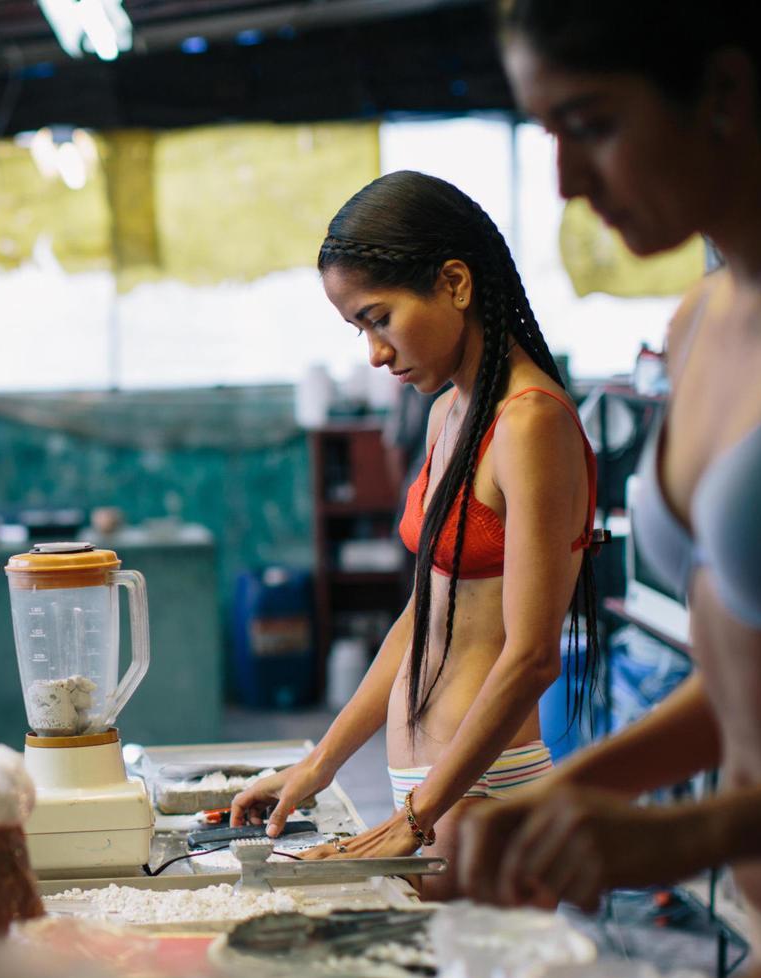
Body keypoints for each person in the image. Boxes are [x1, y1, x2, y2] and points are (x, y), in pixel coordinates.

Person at [424, 2, 761, 978]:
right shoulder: (700, 323)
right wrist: (568, 793)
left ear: (724, 94)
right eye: (544, 131)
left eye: (590, 123)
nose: (566, 185)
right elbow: (749, 680)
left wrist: (692, 833)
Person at [231, 171, 599, 900]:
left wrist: (416, 819)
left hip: (483, 792)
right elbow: (422, 617)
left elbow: (530, 658)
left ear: (454, 283)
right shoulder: (447, 413)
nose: (373, 352)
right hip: (430, 792)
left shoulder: (530, 424)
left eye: (380, 318)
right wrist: (319, 766)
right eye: (358, 329)